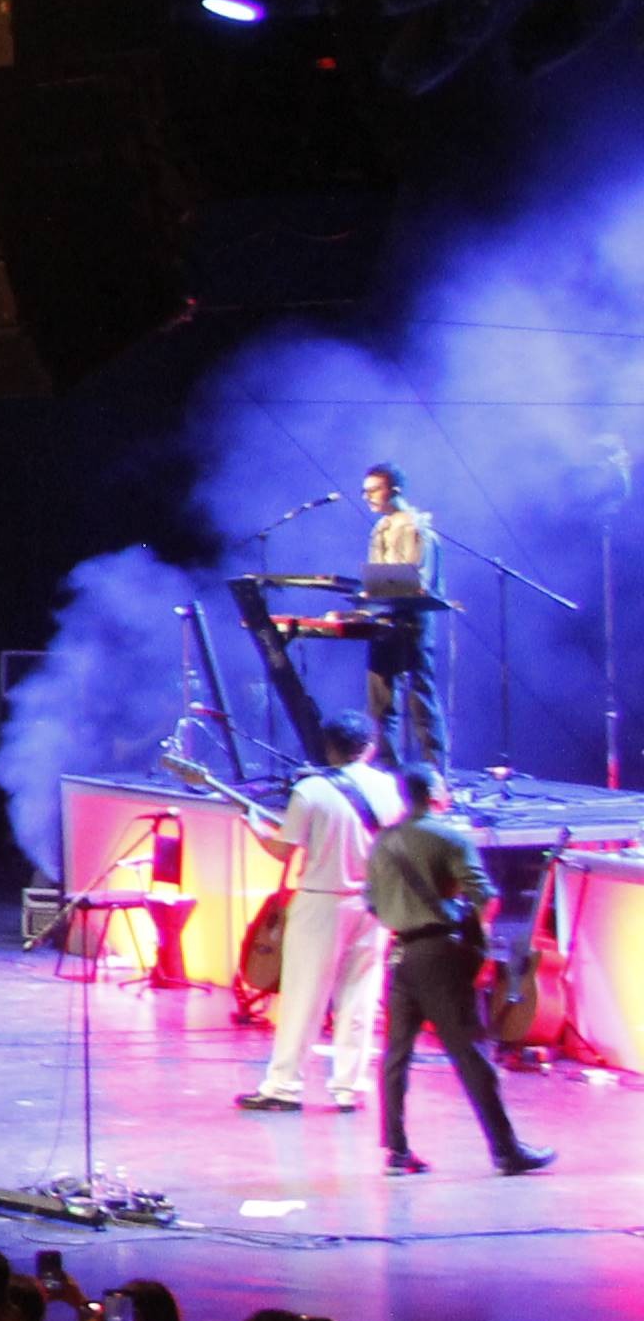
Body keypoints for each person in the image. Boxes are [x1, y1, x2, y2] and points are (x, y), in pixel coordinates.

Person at [363, 767, 547, 1177]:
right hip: (440, 953)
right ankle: (506, 1150)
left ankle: (396, 1150)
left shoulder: (381, 843)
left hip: (400, 954)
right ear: (432, 794)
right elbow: (486, 897)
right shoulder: (449, 837)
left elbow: (372, 903)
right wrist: (476, 943)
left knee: (396, 1056)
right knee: (471, 1054)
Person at [230, 720, 396, 1117]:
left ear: (329, 749)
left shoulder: (311, 791)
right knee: (360, 997)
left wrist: (255, 828)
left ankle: (284, 1085)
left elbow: (285, 851)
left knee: (304, 994)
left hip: (322, 902)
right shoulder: (388, 788)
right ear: (369, 747)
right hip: (373, 902)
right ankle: (349, 1088)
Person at [360, 460, 445, 768]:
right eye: (365, 491)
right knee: (380, 702)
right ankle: (385, 769)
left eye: (374, 490)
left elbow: (418, 581)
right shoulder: (380, 527)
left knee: (419, 697)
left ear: (393, 490)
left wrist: (384, 589)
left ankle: (433, 773)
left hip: (411, 619)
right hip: (384, 617)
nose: (367, 496)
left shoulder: (415, 526)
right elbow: (376, 575)